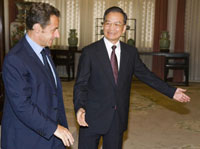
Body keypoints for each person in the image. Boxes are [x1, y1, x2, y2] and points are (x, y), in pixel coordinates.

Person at [73, 6, 190, 149]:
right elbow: (81, 84)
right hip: (90, 117)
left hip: (117, 116)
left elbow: (146, 75)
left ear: (124, 29)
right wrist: (80, 107)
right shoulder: (90, 52)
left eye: (117, 24)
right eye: (108, 23)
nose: (112, 28)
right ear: (103, 25)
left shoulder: (130, 52)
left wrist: (171, 91)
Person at [1, 2, 74, 149]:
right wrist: (54, 128)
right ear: (37, 28)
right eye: (54, 30)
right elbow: (22, 106)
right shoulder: (15, 59)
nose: (58, 34)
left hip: (52, 134)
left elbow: (53, 94)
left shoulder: (45, 50)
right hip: (27, 138)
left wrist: (59, 126)